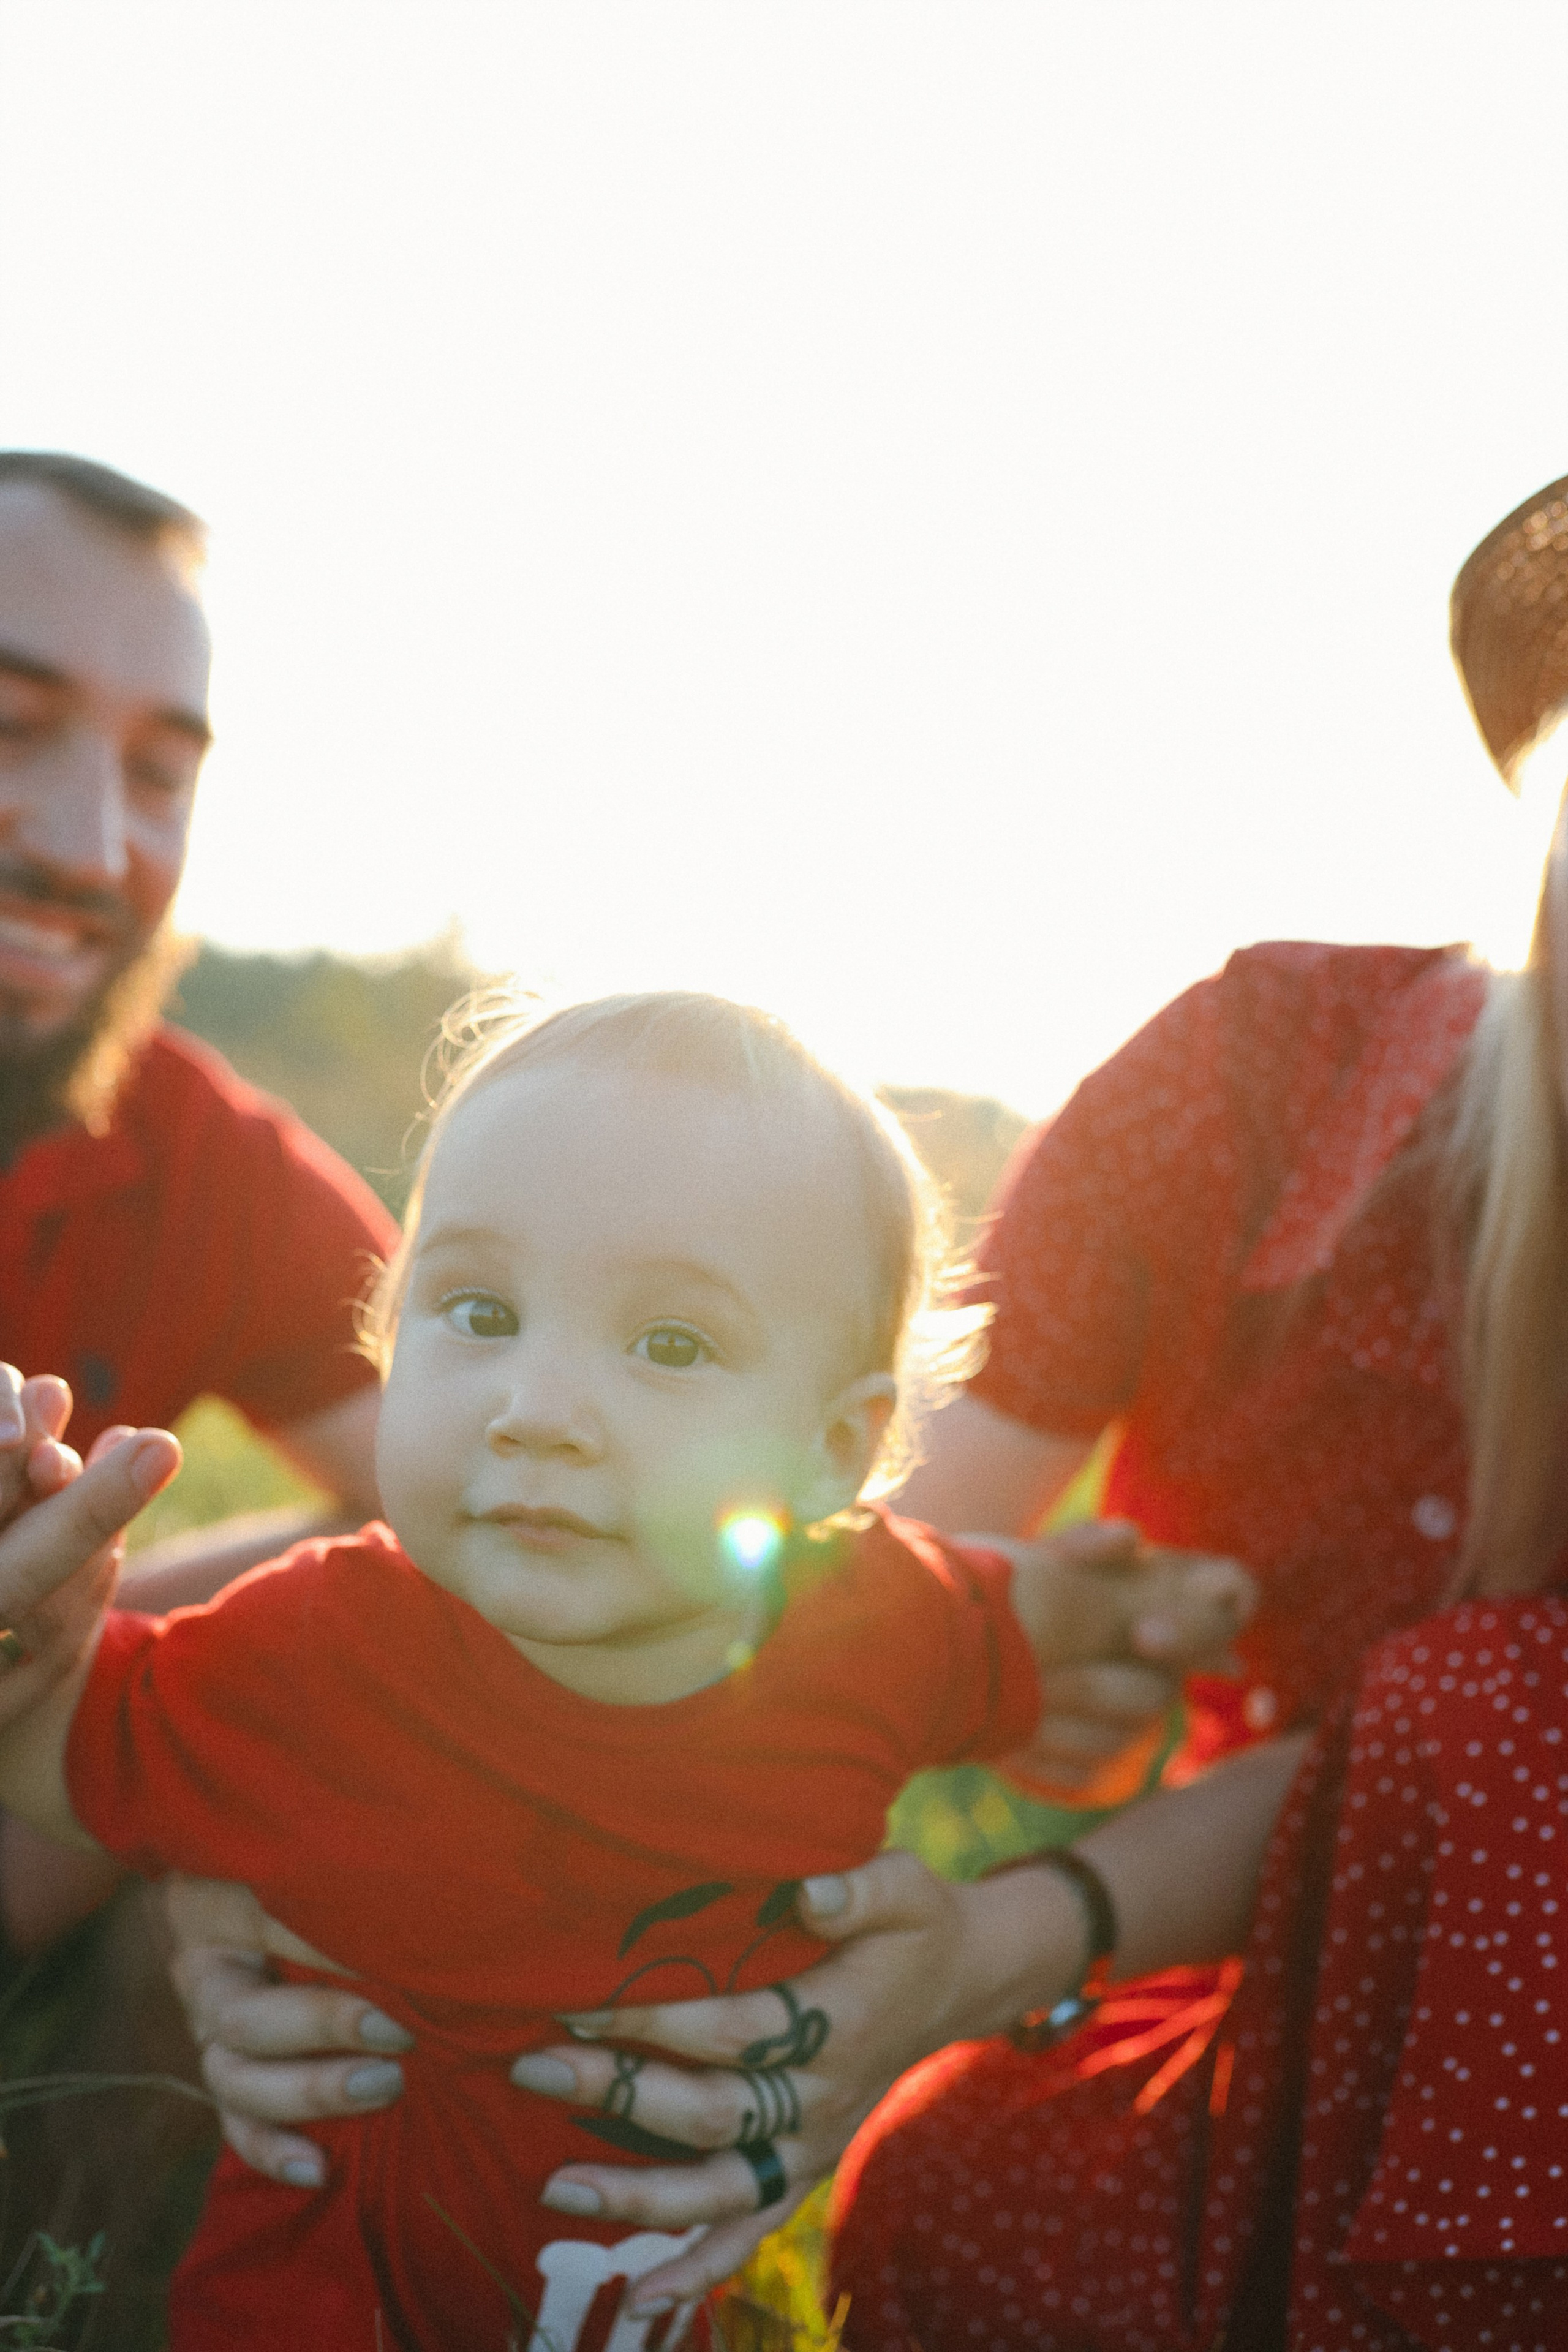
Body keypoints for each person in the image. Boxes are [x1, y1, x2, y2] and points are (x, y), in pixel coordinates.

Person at [245, 466, 1559, 2340]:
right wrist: (288, 1853)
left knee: (1492, 1709)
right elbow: (802, 1560)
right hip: (1275, 1981)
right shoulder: (1259, 1081)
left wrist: (1007, 1927)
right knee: (975, 2199)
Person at [0, 987, 1251, 2351]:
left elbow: (1030, 1612)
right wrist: (32, 1583)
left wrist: (1172, 1603)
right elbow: (66, 1746)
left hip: (642, 2303)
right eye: (478, 1310)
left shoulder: (873, 1622)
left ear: (833, 1452)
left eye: (669, 1344)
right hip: (319, 2308)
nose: (537, 1411)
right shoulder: (315, 1646)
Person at [0, 448, 395, 1955]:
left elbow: (474, 1477)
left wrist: (89, 1625)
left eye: (160, 775)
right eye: (9, 726)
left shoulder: (191, 1155)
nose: (96, 849)